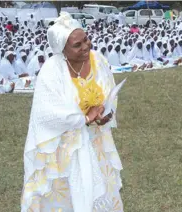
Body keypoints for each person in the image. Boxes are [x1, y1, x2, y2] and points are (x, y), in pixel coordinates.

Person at [21, 12, 123, 212]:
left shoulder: (98, 60)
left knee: (102, 194)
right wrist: (84, 118)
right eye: (77, 45)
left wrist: (106, 114)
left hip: (96, 142)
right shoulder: (52, 71)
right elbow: (47, 114)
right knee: (66, 199)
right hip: (63, 151)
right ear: (62, 50)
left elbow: (109, 91)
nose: (86, 46)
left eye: (86, 39)